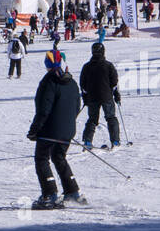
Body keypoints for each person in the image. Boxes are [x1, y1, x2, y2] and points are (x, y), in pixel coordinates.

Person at [28, 52, 85, 208]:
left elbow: (43, 109)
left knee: (42, 158)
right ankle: (73, 191)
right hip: (68, 130)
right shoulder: (72, 82)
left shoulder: (49, 82)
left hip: (50, 130)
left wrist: (34, 130)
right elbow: (76, 107)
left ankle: (50, 194)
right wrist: (66, 124)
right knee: (59, 157)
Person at [79, 42, 121, 151]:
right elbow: (114, 82)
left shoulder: (86, 67)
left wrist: (85, 98)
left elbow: (83, 84)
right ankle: (115, 141)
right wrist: (116, 95)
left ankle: (87, 141)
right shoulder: (108, 65)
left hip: (92, 97)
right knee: (111, 117)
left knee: (92, 119)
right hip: (106, 96)